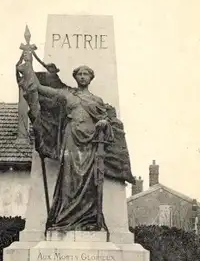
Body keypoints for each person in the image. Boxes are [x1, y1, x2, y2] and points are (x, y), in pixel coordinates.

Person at [16, 49, 135, 232]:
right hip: (71, 138)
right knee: (69, 176)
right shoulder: (67, 95)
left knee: (89, 179)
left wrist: (104, 121)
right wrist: (28, 67)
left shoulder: (97, 100)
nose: (82, 77)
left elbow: (109, 121)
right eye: (79, 74)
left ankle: (88, 218)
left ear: (91, 78)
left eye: (85, 74)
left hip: (91, 141)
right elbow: (40, 90)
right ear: (75, 77)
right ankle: (65, 217)